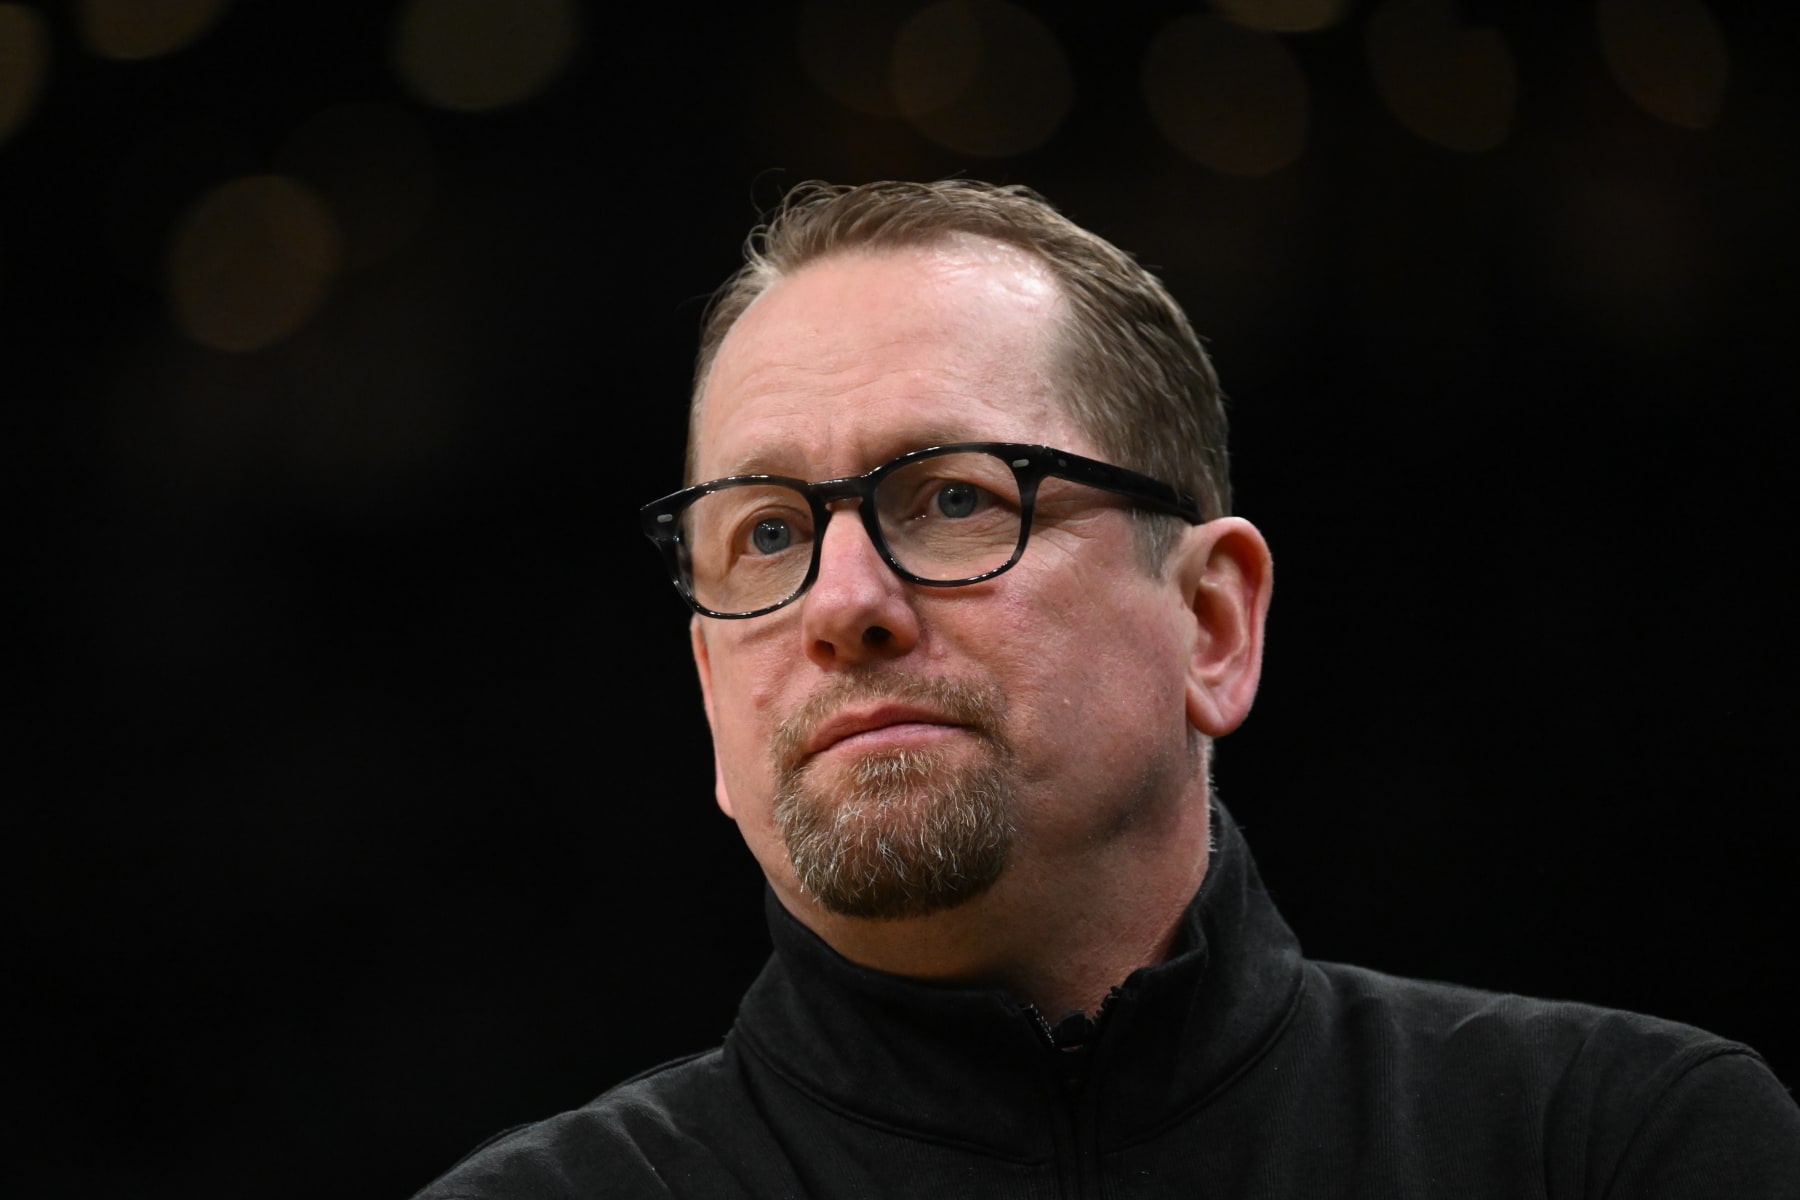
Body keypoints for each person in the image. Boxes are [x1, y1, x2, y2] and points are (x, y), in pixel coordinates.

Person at [415, 180, 1800, 1198]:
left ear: (1210, 622)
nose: (843, 605)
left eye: (954, 497)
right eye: (768, 533)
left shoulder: (1613, 1147)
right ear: (712, 686)